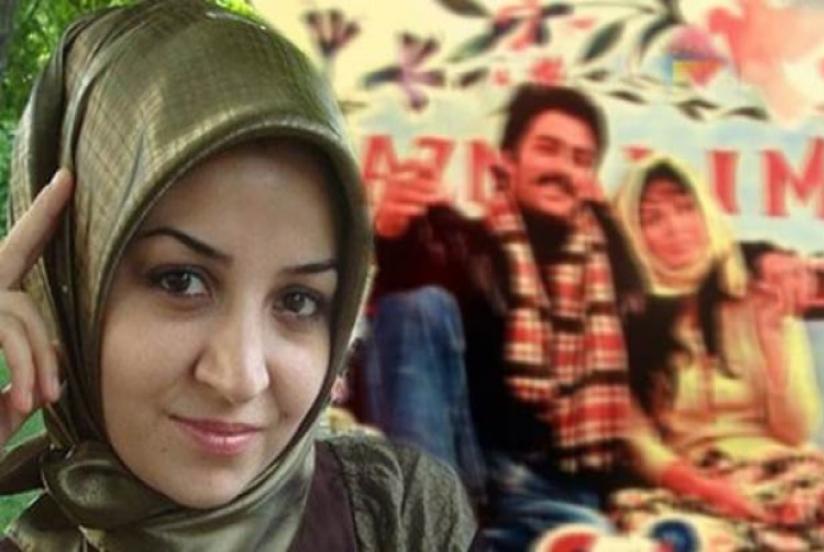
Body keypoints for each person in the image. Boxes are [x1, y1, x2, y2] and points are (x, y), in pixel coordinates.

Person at [0, 1, 480, 550]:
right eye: (181, 281)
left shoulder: (402, 515)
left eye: (298, 300)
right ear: (66, 285)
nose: (241, 378)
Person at [370, 84, 642, 550]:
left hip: (552, 489)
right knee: (417, 307)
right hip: (461, 467)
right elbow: (407, 293)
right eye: (548, 149)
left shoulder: (613, 266)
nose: (563, 169)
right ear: (509, 161)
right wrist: (391, 232)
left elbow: (662, 319)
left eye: (581, 159)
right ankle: (428, 531)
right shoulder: (464, 243)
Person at [611, 154, 824, 550]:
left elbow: (795, 430)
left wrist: (771, 337)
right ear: (631, 234)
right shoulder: (620, 319)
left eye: (685, 208)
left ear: (706, 212)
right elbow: (638, 444)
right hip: (686, 485)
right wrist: (712, 492)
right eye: (653, 218)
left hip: (784, 471)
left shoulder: (762, 290)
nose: (676, 228)